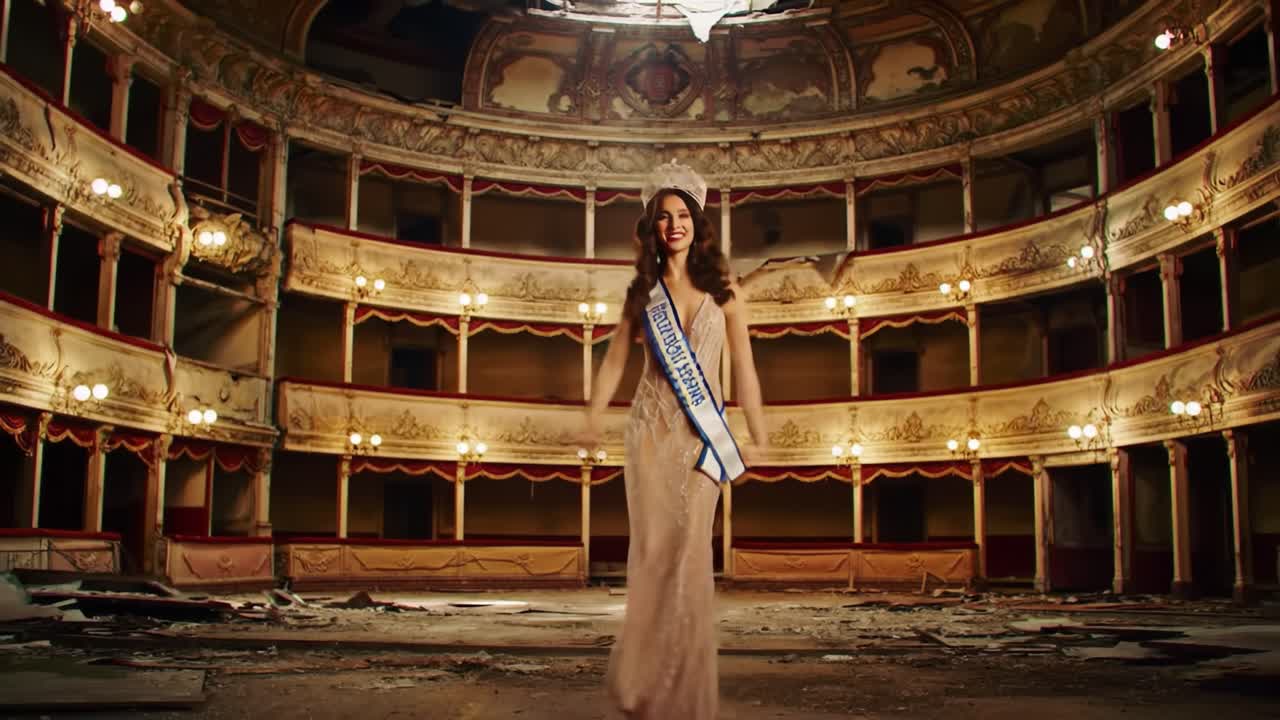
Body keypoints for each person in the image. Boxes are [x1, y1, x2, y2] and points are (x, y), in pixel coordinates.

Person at [578, 160, 768, 719]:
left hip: (701, 439)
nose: (674, 225)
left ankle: (682, 688)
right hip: (648, 436)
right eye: (663, 217)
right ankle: (645, 681)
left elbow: (746, 368)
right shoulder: (643, 293)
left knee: (689, 557)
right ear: (652, 227)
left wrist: (758, 430)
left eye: (683, 214)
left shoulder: (727, 291)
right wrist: (590, 418)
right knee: (655, 557)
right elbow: (614, 362)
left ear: (698, 224)